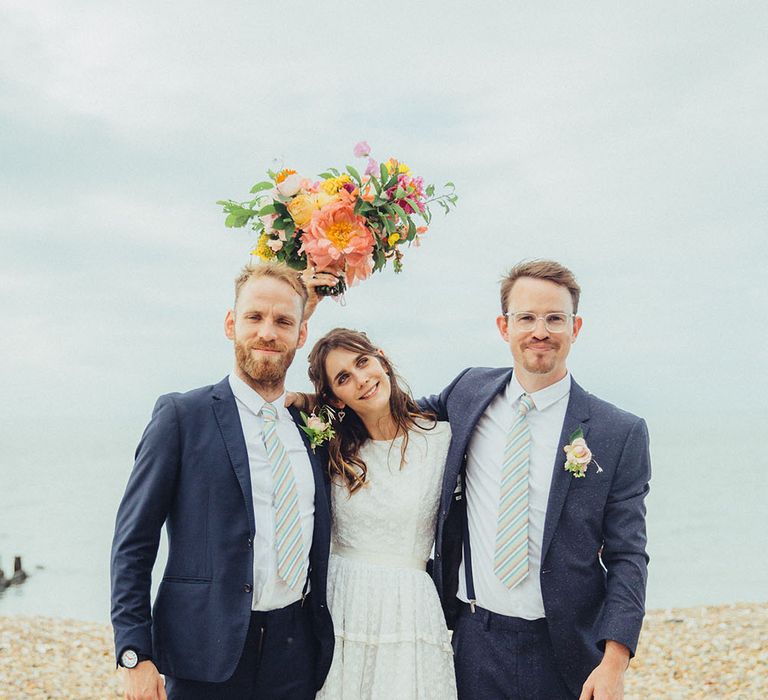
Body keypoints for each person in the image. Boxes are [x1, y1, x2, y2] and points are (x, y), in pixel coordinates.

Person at [422, 260, 651, 700]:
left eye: (554, 318)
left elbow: (628, 555)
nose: (539, 331)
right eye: (526, 317)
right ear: (503, 326)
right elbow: (391, 415)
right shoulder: (469, 391)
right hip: (473, 639)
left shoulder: (618, 432)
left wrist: (614, 662)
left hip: (566, 650)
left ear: (575, 327)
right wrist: (308, 403)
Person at [110, 262, 339, 700]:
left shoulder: (312, 425)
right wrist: (135, 654)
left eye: (283, 321)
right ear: (231, 324)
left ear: (301, 334)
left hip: (296, 654)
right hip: (204, 655)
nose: (268, 332)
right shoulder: (181, 417)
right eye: (254, 317)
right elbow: (133, 544)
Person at [306, 328, 458, 699]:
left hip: (409, 606)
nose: (361, 379)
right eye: (343, 378)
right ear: (335, 399)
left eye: (363, 362)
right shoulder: (332, 452)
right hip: (342, 607)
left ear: (382, 360)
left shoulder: (443, 440)